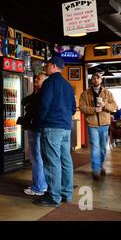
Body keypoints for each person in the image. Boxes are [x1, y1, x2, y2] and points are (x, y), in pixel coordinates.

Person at [35, 56, 76, 207]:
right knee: (66, 161)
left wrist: (40, 123)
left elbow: (44, 105)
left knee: (52, 161)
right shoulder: (67, 85)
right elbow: (72, 108)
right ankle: (66, 193)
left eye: (47, 65)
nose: (46, 68)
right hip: (66, 128)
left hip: (52, 127)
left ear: (53, 66)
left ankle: (54, 196)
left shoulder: (49, 83)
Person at [79, 72, 117, 180]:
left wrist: (105, 105)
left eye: (98, 78)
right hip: (92, 124)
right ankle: (95, 170)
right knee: (95, 147)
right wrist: (93, 109)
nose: (96, 79)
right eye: (93, 78)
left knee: (102, 149)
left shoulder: (107, 93)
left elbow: (114, 106)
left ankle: (100, 166)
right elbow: (82, 107)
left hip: (104, 124)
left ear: (101, 80)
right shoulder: (85, 94)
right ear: (91, 80)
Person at [22, 72, 48, 196]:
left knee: (36, 157)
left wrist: (29, 108)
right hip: (35, 127)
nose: (36, 79)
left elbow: (33, 108)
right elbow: (23, 101)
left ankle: (39, 186)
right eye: (36, 78)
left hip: (36, 127)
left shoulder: (42, 94)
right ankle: (41, 184)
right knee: (37, 157)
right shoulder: (37, 93)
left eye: (39, 78)